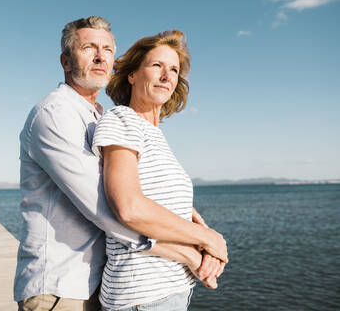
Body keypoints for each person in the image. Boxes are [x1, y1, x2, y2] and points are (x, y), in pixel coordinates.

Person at [15, 17, 227, 311]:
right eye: (89, 47)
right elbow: (111, 209)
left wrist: (193, 225)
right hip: (61, 287)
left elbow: (139, 190)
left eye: (107, 49)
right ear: (65, 61)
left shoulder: (99, 115)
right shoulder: (56, 113)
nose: (101, 57)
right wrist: (196, 249)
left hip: (95, 281)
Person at [91, 30, 226, 310]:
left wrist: (206, 246)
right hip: (142, 298)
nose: (167, 76)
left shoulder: (153, 133)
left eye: (174, 69)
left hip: (172, 290)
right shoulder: (122, 120)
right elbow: (129, 208)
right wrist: (209, 238)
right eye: (157, 66)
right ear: (132, 75)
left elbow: (167, 206)